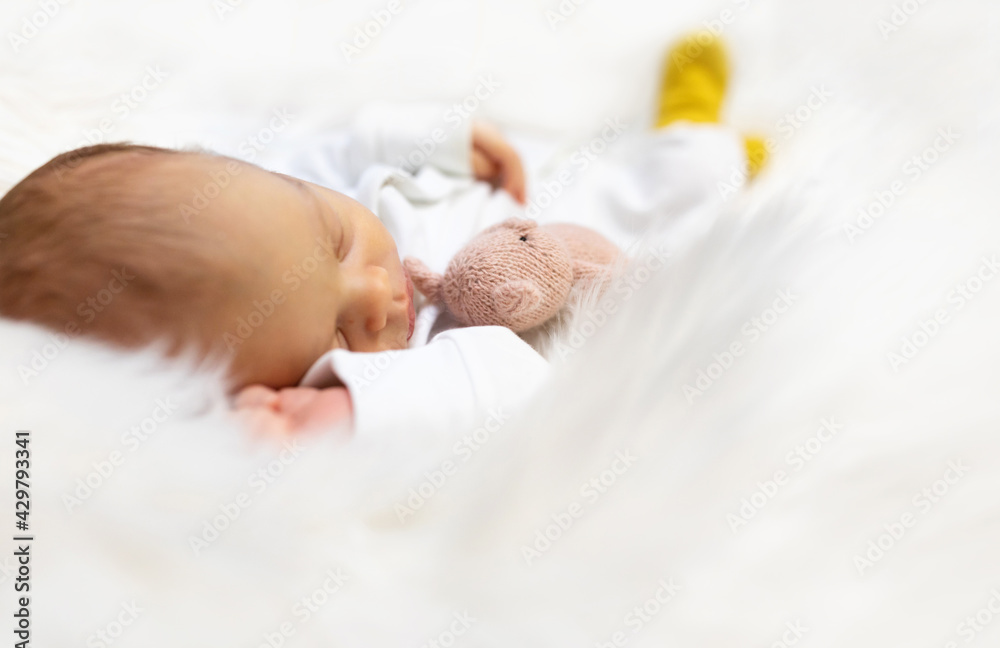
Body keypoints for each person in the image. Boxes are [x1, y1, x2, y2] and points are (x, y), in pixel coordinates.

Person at [0, 33, 762, 442]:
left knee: (669, 168)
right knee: (695, 191)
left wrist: (426, 141)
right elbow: (498, 384)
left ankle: (693, 119)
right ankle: (711, 144)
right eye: (334, 328)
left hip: (532, 190)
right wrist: (346, 415)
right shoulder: (384, 373)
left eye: (336, 241)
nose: (374, 291)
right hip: (605, 255)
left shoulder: (260, 192)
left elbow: (335, 152)